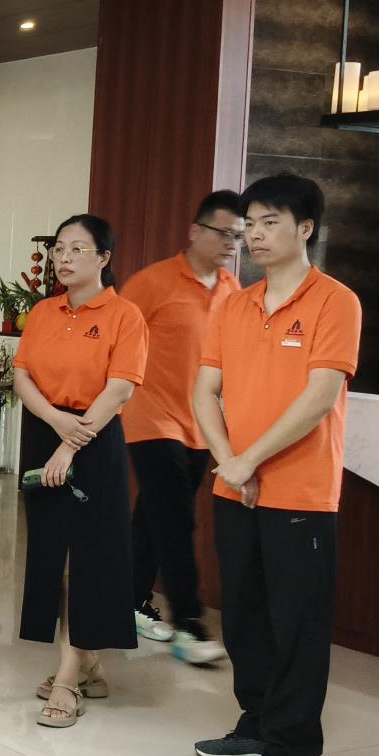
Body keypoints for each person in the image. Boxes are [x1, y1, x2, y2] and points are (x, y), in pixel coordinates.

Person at [191, 172, 361, 756]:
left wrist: (248, 460)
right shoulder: (234, 304)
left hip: (301, 492)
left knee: (297, 624)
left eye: (270, 222)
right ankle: (258, 723)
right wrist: (229, 462)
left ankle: (291, 752)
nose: (255, 235)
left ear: (305, 228)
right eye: (250, 225)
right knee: (244, 616)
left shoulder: (335, 301)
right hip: (236, 486)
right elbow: (203, 391)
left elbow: (320, 397)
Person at [13, 214, 148, 728]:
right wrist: (54, 422)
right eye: (58, 249)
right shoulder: (43, 312)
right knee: (55, 557)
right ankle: (87, 663)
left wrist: (69, 445)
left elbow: (120, 389)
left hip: (94, 439)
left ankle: (68, 681)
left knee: (87, 560)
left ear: (104, 258)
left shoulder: (124, 315)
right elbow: (22, 376)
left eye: (77, 249)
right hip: (45, 430)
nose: (63, 258)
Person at [120, 189, 244, 665]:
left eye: (238, 235)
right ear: (195, 231)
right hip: (149, 416)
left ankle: (126, 601)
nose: (231, 243)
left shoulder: (232, 290)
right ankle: (188, 624)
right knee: (175, 516)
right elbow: (116, 336)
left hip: (200, 423)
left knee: (153, 516)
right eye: (223, 233)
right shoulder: (153, 282)